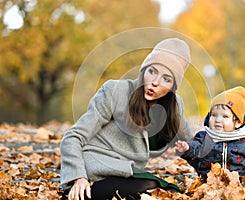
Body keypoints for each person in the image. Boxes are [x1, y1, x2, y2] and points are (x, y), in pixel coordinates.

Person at [60, 38, 193, 200]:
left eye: (166, 79)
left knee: (170, 191)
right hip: (96, 168)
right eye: (152, 71)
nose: (155, 83)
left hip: (126, 175)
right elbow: (73, 136)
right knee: (150, 187)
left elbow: (192, 144)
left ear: (173, 86)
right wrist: (78, 177)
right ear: (144, 70)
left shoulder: (175, 106)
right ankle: (80, 194)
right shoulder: (115, 91)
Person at [175, 86, 245, 182]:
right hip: (208, 183)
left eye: (225, 116)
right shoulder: (204, 137)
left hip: (238, 185)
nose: (217, 120)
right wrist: (187, 148)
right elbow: (195, 148)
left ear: (237, 122)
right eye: (214, 115)